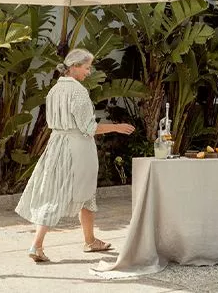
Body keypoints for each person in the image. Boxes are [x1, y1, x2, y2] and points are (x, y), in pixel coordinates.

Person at [14, 48, 136, 263]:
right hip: (77, 147)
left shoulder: (54, 90)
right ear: (75, 67)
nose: (89, 72)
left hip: (56, 144)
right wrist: (117, 127)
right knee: (79, 193)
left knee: (56, 192)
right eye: (87, 68)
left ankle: (82, 241)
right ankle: (43, 244)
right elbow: (89, 127)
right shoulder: (78, 91)